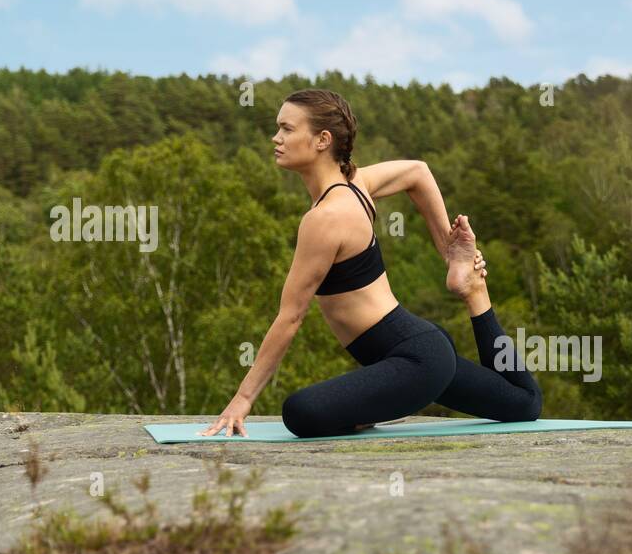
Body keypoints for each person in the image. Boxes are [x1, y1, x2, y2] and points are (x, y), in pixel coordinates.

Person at [200, 88, 542, 438]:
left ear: (322, 140)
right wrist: (447, 249)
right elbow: (417, 172)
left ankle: (470, 291)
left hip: (416, 361)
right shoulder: (355, 186)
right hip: (417, 350)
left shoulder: (325, 218)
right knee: (524, 403)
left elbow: (291, 316)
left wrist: (242, 399)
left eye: (287, 129)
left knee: (300, 412)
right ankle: (474, 291)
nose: (276, 138)